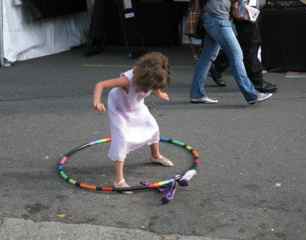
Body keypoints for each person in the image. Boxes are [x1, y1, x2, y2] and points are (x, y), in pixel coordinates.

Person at [93, 52, 174, 189]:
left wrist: (160, 93)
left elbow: (155, 85)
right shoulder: (127, 80)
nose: (150, 90)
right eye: (149, 87)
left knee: (153, 126)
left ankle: (155, 155)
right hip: (119, 107)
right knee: (121, 138)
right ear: (143, 79)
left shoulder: (153, 77)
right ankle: (118, 181)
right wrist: (97, 101)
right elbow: (100, 84)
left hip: (135, 104)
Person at [190, 0, 272, 104]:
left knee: (206, 57)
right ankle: (251, 94)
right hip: (218, 18)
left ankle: (197, 94)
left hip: (214, 17)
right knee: (236, 54)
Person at [209, 18, 277, 93]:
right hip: (245, 12)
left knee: (244, 42)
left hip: (245, 13)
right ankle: (256, 81)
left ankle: (217, 66)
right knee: (250, 42)